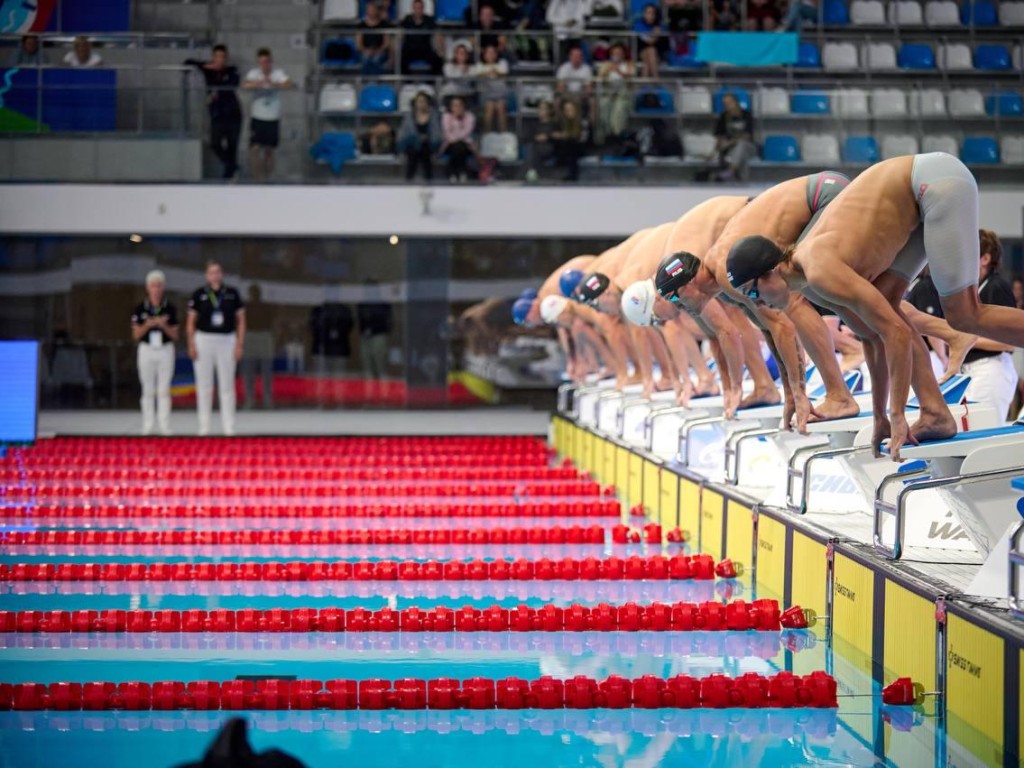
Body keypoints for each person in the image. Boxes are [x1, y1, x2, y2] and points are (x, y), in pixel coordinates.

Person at [723, 153, 1024, 458]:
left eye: (753, 292)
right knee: (887, 307)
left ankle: (939, 389)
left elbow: (898, 335)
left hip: (933, 181)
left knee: (965, 314)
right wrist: (880, 415)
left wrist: (897, 416)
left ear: (770, 272)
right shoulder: (811, 284)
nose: (757, 302)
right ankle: (935, 413)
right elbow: (872, 338)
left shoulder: (819, 270)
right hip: (914, 194)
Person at [652, 171, 862, 431]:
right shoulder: (722, 282)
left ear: (688, 285)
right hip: (813, 196)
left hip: (822, 195)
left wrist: (798, 393)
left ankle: (839, 395)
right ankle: (836, 388)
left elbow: (781, 326)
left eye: (675, 299)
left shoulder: (726, 272)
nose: (679, 308)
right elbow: (769, 329)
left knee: (801, 299)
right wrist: (791, 395)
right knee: (802, 299)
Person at [904, 231, 1018, 421]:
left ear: (985, 258)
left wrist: (962, 338)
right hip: (971, 370)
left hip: (991, 368)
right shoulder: (972, 291)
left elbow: (1007, 343)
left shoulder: (996, 287)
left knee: (985, 430)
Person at [187, 261, 245, 436]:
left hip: (227, 340)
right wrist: (191, 344)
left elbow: (241, 321)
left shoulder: (232, 294)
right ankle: (204, 427)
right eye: (211, 272)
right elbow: (190, 323)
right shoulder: (199, 294)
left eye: (218, 271)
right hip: (204, 339)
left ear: (222, 274)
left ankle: (229, 427)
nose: (215, 275)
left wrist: (239, 344)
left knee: (226, 386)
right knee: (204, 386)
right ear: (207, 275)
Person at [131, 270, 179, 436]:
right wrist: (149, 324)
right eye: (153, 286)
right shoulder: (139, 308)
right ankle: (148, 424)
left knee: (164, 389)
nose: (156, 289)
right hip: (147, 350)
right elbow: (136, 334)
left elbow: (175, 334)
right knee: (147, 389)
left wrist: (163, 325)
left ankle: (164, 425)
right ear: (147, 288)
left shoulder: (170, 308)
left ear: (163, 287)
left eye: (159, 286)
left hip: (165, 349)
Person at [186, 45, 242, 180]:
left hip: (233, 114)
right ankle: (232, 167)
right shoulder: (208, 71)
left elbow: (231, 84)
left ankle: (229, 177)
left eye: (222, 57)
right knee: (215, 143)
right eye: (217, 57)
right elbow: (188, 62)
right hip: (217, 114)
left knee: (232, 146)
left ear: (226, 58)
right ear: (213, 57)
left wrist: (215, 92)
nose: (219, 60)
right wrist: (206, 66)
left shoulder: (231, 71)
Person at [242, 48, 293, 182]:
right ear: (259, 63)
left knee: (269, 150)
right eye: (262, 62)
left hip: (272, 117)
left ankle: (267, 179)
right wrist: (258, 84)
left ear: (271, 62)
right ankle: (257, 178)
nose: (265, 65)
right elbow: (245, 85)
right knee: (255, 148)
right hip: (258, 116)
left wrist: (274, 84)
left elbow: (288, 84)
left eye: (267, 62)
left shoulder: (277, 73)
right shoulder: (254, 73)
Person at [240, 283, 274, 410]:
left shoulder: (266, 307)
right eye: (253, 292)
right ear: (250, 294)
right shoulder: (245, 307)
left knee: (266, 372)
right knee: (248, 371)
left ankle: (267, 399)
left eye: (256, 292)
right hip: (249, 336)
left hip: (264, 335)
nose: (255, 294)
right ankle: (249, 399)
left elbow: (273, 323)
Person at [398, 91, 441, 181]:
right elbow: (403, 134)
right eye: (419, 102)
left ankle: (429, 181)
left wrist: (435, 149)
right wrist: (401, 149)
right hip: (412, 144)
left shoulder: (433, 116)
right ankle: (409, 179)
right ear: (415, 103)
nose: (421, 104)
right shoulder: (409, 117)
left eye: (423, 101)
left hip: (429, 146)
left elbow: (436, 134)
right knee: (413, 152)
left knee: (425, 151)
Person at [713, 92, 755, 182]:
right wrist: (721, 144)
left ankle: (731, 170)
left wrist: (730, 143)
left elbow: (747, 136)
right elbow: (719, 136)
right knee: (742, 158)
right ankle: (743, 182)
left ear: (735, 102)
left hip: (748, 147)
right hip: (731, 150)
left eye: (729, 103)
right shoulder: (723, 117)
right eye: (725, 104)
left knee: (741, 145)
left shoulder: (747, 115)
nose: (727, 106)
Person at [596, 43, 633, 141]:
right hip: (608, 94)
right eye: (615, 53)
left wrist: (619, 71)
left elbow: (631, 77)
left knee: (619, 110)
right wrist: (607, 71)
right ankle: (606, 135)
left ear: (623, 54)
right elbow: (599, 78)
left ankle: (617, 135)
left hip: (623, 95)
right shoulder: (606, 64)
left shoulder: (628, 64)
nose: (617, 55)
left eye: (619, 53)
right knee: (603, 105)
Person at [357, 281, 394, 380]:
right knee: (366, 365)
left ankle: (383, 392)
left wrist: (375, 329)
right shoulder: (362, 304)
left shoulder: (383, 304)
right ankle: (369, 391)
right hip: (365, 337)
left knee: (380, 365)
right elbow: (361, 321)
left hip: (379, 335)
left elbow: (387, 322)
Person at [471, 44, 509, 133]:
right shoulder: (479, 65)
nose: (491, 55)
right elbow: (478, 74)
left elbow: (503, 73)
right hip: (485, 95)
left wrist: (491, 72)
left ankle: (504, 134)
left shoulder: (502, 63)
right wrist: (492, 72)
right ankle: (486, 135)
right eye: (488, 52)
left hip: (500, 95)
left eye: (493, 52)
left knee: (501, 106)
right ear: (484, 55)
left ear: (496, 54)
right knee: (490, 106)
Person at [400, 0, 443, 74]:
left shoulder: (429, 20)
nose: (418, 10)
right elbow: (400, 32)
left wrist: (440, 49)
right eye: (416, 8)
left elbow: (437, 34)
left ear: (423, 8)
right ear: (413, 8)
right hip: (410, 50)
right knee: (400, 59)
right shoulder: (407, 19)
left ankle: (432, 83)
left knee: (437, 60)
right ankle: (406, 83)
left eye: (420, 8)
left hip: (425, 49)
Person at [439, 96, 476, 182]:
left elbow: (467, 132)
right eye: (455, 105)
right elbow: (447, 133)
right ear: (451, 107)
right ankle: (462, 172)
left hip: (466, 145)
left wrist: (457, 122)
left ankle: (452, 172)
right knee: (457, 147)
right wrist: (455, 119)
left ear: (464, 106)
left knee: (460, 146)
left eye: (460, 105)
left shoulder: (470, 116)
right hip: (449, 144)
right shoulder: (446, 116)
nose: (457, 108)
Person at [556, 46, 595, 124]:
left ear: (582, 58)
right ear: (570, 57)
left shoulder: (586, 69)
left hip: (581, 95)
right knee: (557, 98)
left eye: (579, 56)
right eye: (575, 56)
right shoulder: (564, 68)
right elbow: (561, 87)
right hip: (567, 94)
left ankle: (591, 125)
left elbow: (588, 88)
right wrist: (570, 96)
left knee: (593, 100)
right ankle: (558, 122)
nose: (577, 58)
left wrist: (580, 96)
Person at [552, 99, 584, 182]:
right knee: (567, 144)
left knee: (571, 143)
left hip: (581, 146)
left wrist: (565, 135)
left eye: (570, 109)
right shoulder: (562, 122)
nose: (568, 112)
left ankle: (571, 174)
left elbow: (581, 138)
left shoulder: (583, 121)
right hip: (567, 148)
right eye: (566, 110)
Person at [524, 100, 557, 181]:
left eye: (544, 109)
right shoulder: (533, 124)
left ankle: (532, 171)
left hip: (550, 147)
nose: (541, 111)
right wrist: (536, 138)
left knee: (534, 150)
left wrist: (547, 136)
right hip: (535, 147)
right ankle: (532, 172)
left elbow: (557, 137)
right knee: (531, 148)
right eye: (540, 109)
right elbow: (527, 137)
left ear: (549, 111)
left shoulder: (554, 124)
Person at [358, 2, 394, 75]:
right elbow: (359, 43)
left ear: (377, 11)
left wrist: (377, 51)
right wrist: (366, 50)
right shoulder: (361, 25)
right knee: (365, 59)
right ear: (366, 11)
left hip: (380, 51)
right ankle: (365, 82)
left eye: (373, 9)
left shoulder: (383, 24)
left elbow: (386, 43)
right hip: (366, 50)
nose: (372, 12)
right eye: (370, 10)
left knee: (376, 59)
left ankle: (376, 82)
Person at [633, 4, 667, 77]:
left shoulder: (661, 26)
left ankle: (644, 85)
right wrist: (655, 35)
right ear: (644, 14)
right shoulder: (639, 25)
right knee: (650, 51)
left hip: (658, 54)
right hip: (641, 52)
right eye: (648, 13)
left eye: (653, 13)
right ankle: (656, 81)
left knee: (649, 57)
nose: (651, 15)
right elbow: (649, 41)